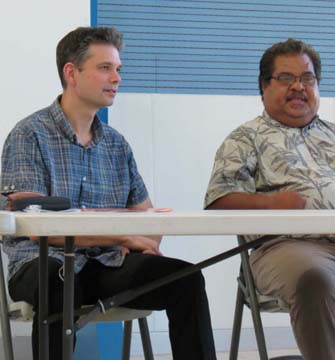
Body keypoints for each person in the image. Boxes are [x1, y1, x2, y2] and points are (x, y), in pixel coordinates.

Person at [1, 26, 216, 360]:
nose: (116, 78)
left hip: (106, 263)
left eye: (118, 69)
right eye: (105, 68)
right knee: (61, 283)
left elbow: (150, 225)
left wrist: (117, 230)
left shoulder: (116, 144)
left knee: (186, 279)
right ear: (71, 72)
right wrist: (122, 232)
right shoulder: (29, 134)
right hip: (41, 263)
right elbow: (39, 229)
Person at [205, 38, 335, 360]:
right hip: (288, 248)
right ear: (264, 86)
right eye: (286, 78)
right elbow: (219, 200)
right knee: (314, 278)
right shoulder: (245, 138)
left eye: (307, 78)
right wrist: (272, 202)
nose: (298, 87)